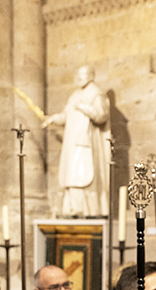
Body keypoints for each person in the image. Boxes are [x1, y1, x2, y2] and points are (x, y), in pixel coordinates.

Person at [43, 65, 110, 217]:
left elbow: (101, 115)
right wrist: (53, 118)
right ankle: (73, 208)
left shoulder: (96, 94)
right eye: (78, 75)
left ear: (92, 76)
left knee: (85, 176)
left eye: (83, 75)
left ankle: (88, 210)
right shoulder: (74, 95)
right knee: (71, 175)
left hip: (86, 143)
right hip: (72, 144)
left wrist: (83, 107)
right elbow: (66, 115)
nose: (79, 78)